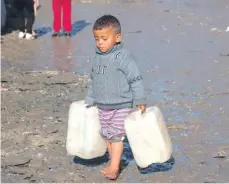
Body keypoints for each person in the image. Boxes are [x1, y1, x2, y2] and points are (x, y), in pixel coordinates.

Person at [85, 15, 146, 180]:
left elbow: (135, 79)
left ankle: (114, 167)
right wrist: (90, 99)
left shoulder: (124, 57)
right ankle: (115, 161)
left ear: (117, 38)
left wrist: (139, 99)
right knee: (106, 135)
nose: (100, 42)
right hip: (102, 105)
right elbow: (94, 78)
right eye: (97, 39)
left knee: (116, 136)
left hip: (121, 104)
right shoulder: (97, 57)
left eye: (104, 38)